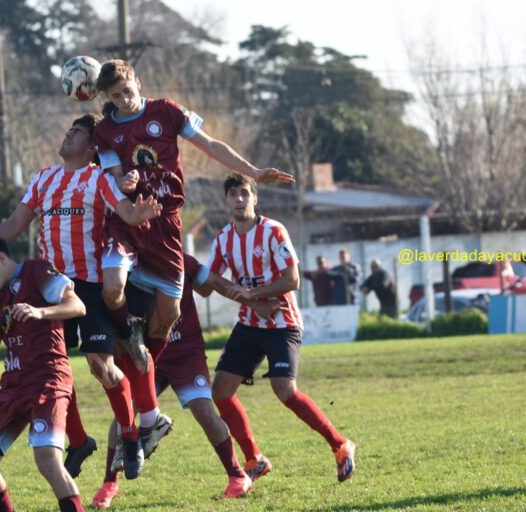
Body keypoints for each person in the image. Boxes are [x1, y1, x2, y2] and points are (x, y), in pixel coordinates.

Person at [0, 114, 166, 480]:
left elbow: (126, 213)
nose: (68, 134)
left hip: (88, 285)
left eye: (77, 133)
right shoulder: (43, 179)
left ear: (92, 148)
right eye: (68, 130)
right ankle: (79, 440)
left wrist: (141, 215)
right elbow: (14, 223)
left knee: (100, 365)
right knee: (49, 369)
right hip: (49, 287)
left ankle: (131, 437)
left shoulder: (99, 179)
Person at [92, 59, 295, 370]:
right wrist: (124, 182)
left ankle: (146, 366)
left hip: (166, 222)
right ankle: (126, 332)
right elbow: (114, 176)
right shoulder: (105, 131)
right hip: (129, 220)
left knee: (170, 313)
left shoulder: (167, 110)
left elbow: (211, 145)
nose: (124, 100)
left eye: (126, 91)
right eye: (115, 97)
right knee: (111, 287)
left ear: (137, 80)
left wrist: (253, 171)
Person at [90, 253, 281, 508]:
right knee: (125, 411)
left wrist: (254, 304)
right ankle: (109, 483)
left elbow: (213, 283)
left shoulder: (179, 258)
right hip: (148, 353)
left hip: (185, 353)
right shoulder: (126, 264)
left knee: (203, 409)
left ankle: (237, 476)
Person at [208, 174, 357, 485]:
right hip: (249, 322)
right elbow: (211, 282)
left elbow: (292, 280)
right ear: (225, 201)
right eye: (232, 194)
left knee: (284, 389)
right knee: (220, 391)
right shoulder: (223, 238)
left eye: (244, 193)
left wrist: (253, 296)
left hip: (282, 322)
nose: (239, 199)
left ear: (255, 198)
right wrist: (246, 297)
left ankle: (340, 445)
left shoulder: (274, 231)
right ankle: (254, 459)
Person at [0, 236, 86, 512]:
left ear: (2, 258)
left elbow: (77, 306)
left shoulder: (37, 271)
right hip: (14, 384)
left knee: (47, 460)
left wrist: (40, 312)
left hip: (48, 376)